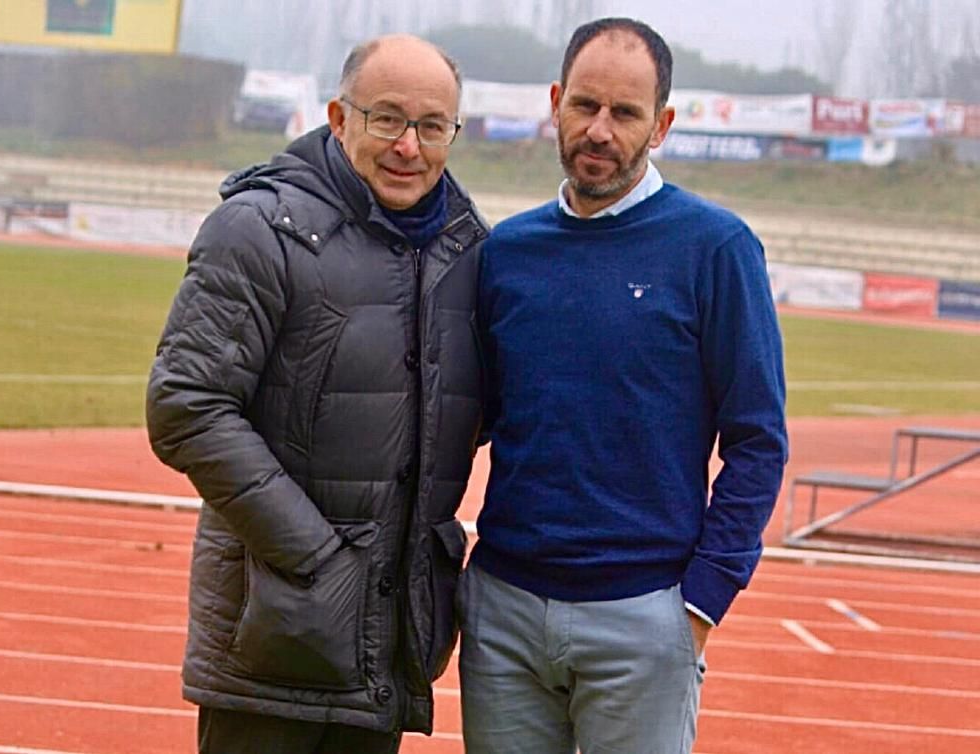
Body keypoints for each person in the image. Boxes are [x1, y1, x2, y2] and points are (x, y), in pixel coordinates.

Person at [146, 34, 488, 754]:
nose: (409, 146)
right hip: (274, 635)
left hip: (387, 644)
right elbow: (186, 405)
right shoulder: (258, 227)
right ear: (339, 117)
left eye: (432, 126)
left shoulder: (467, 251)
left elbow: (469, 415)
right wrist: (320, 560)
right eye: (386, 118)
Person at [459, 17, 788, 754]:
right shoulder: (507, 252)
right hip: (504, 609)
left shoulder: (717, 249)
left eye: (625, 113)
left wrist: (701, 604)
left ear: (662, 124)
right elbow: (470, 417)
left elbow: (758, 441)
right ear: (555, 102)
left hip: (645, 614)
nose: (599, 130)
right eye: (585, 105)